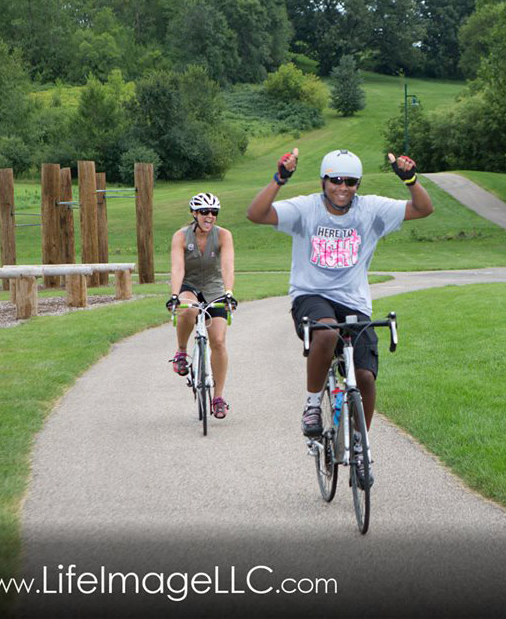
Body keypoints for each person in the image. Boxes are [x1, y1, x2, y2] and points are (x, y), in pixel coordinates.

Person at [246, 148, 433, 480]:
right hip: (311, 295)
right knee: (327, 331)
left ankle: (360, 448)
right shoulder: (306, 209)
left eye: (350, 182)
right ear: (324, 181)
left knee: (364, 377)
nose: (342, 188)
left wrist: (411, 180)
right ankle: (311, 406)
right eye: (335, 180)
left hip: (355, 302)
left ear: (358, 184)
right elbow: (256, 214)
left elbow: (423, 209)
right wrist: (280, 179)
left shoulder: (371, 210)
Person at [166, 193, 238, 419]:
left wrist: (228, 293)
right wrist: (175, 295)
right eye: (205, 212)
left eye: (214, 212)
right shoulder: (180, 236)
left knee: (217, 340)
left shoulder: (224, 236)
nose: (210, 216)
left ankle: (218, 397)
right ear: (194, 214)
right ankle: (181, 351)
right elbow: (177, 267)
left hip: (215, 288)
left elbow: (227, 267)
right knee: (189, 309)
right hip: (189, 285)